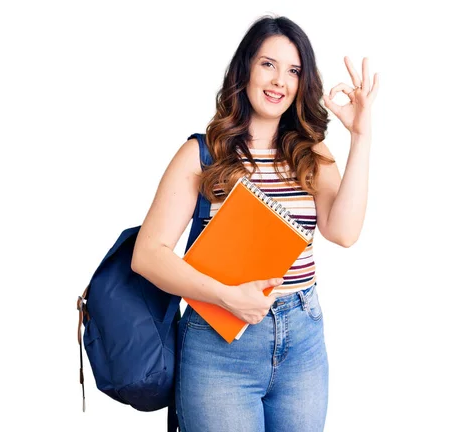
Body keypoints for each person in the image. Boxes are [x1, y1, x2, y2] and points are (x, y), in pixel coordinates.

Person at [131, 14, 379, 432]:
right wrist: (227, 296)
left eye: (293, 70)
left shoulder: (311, 153)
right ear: (245, 69)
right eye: (268, 64)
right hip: (218, 346)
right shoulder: (202, 154)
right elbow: (148, 256)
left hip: (302, 339)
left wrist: (360, 136)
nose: (279, 80)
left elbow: (344, 231)